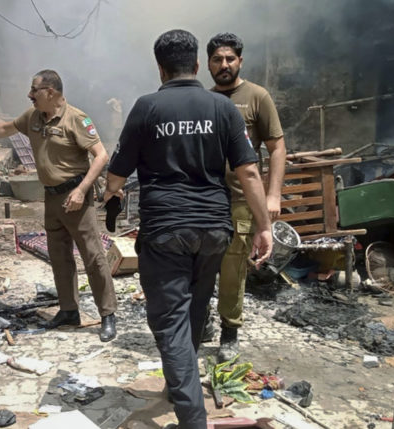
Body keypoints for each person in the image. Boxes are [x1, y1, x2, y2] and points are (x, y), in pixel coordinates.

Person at [104, 29, 272, 428]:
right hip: (215, 229)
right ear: (198, 65)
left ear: (160, 68)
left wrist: (111, 196)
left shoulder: (147, 108)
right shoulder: (222, 108)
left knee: (169, 322)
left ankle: (192, 419)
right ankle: (182, 385)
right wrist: (264, 226)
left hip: (166, 231)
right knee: (196, 307)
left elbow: (116, 176)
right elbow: (248, 170)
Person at [0, 70, 118, 342]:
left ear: (51, 92)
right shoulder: (33, 117)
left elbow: (101, 155)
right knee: (59, 255)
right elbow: (6, 128)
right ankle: (69, 310)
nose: (29, 95)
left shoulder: (77, 119)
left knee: (92, 256)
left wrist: (81, 190)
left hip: (76, 197)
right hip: (52, 198)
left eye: (35, 90)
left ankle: (108, 315)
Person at [206, 33, 287, 362]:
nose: (224, 65)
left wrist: (273, 194)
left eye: (230, 59)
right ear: (207, 64)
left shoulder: (257, 97)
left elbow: (277, 147)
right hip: (207, 197)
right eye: (217, 60)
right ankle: (200, 321)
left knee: (232, 267)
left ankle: (230, 330)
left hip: (242, 197)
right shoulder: (203, 99)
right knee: (201, 264)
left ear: (240, 61)